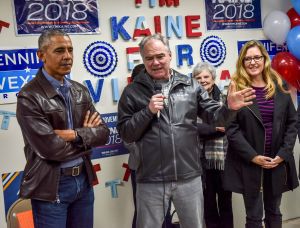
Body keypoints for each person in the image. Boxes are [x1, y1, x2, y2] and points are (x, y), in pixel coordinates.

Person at [117, 33, 255, 228]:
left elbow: (215, 117)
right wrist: (147, 112)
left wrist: (229, 108)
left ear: (170, 55)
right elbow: (126, 133)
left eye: (160, 56)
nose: (155, 62)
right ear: (143, 60)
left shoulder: (190, 85)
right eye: (149, 58)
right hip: (151, 179)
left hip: (188, 177)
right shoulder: (132, 92)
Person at [16, 29, 110, 228]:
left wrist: (74, 134)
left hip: (83, 181)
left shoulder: (79, 90)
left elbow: (103, 134)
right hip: (52, 185)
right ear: (41, 55)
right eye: (59, 50)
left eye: (70, 50)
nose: (67, 56)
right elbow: (51, 150)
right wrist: (86, 138)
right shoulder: (29, 96)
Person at [223, 40, 299, 228]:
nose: (253, 62)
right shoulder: (236, 88)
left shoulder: (279, 85)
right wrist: (253, 156)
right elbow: (231, 129)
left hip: (277, 161)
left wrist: (283, 153)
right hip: (250, 163)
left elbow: (292, 121)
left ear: (264, 59)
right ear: (242, 62)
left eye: (257, 57)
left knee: (274, 211)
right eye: (247, 59)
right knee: (254, 216)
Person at [192, 62, 233, 228]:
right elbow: (191, 128)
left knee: (225, 202)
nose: (202, 80)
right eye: (198, 77)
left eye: (206, 76)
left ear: (213, 78)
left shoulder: (225, 98)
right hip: (200, 160)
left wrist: (207, 129)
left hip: (224, 159)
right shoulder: (190, 100)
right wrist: (215, 129)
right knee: (207, 204)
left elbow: (230, 125)